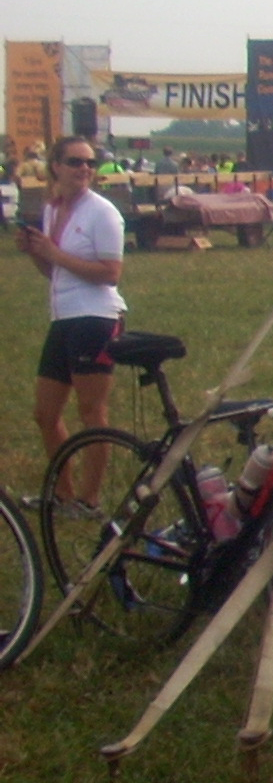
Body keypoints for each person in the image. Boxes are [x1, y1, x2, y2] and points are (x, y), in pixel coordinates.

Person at [23, 137, 127, 510]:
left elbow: (111, 273)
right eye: (75, 161)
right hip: (63, 317)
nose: (84, 168)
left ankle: (89, 499)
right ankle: (62, 493)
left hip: (96, 318)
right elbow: (53, 272)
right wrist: (38, 253)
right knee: (45, 414)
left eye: (90, 162)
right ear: (55, 167)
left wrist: (56, 254)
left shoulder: (102, 212)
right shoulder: (53, 209)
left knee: (91, 412)